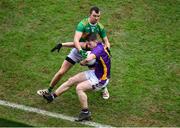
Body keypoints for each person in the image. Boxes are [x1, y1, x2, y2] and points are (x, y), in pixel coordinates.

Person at [37, 6, 111, 99]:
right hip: (78, 50)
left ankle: (104, 88)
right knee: (61, 72)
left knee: (97, 73)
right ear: (90, 14)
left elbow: (106, 41)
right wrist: (79, 51)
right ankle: (48, 90)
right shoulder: (82, 24)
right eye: (94, 15)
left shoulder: (100, 27)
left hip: (91, 54)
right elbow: (76, 41)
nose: (96, 18)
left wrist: (107, 49)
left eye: (98, 16)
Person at [42, 33, 111, 121]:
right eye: (88, 44)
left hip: (101, 79)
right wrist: (62, 44)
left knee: (79, 88)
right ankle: (52, 97)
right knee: (72, 79)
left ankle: (85, 113)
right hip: (95, 73)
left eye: (90, 44)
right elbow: (78, 44)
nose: (88, 46)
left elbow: (89, 59)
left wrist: (83, 62)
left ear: (95, 41)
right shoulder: (99, 45)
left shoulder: (97, 50)